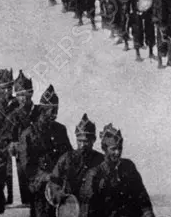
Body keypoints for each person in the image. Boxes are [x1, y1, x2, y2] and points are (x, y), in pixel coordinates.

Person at [18, 85, 72, 217]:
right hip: (39, 188)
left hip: (60, 186)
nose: (55, 114)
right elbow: (28, 168)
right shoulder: (28, 134)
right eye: (51, 111)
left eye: (56, 110)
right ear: (42, 109)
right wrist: (47, 177)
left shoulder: (61, 130)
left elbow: (68, 156)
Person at [81, 124, 155, 217]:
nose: (118, 152)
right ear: (105, 149)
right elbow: (87, 210)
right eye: (113, 149)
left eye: (120, 148)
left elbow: (141, 195)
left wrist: (148, 212)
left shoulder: (129, 167)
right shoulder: (94, 174)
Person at [48, 114, 104, 214]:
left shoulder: (101, 160)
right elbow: (53, 181)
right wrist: (58, 194)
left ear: (93, 140)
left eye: (86, 141)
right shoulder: (66, 158)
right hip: (71, 210)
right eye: (79, 141)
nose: (82, 145)